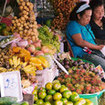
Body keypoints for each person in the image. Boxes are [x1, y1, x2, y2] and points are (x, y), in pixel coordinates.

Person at [66, 2, 105, 70]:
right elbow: (80, 42)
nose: (89, 19)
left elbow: (93, 39)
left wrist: (102, 44)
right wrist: (97, 47)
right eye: (86, 16)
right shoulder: (73, 25)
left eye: (90, 16)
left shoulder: (86, 25)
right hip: (83, 54)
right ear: (79, 16)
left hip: (93, 51)